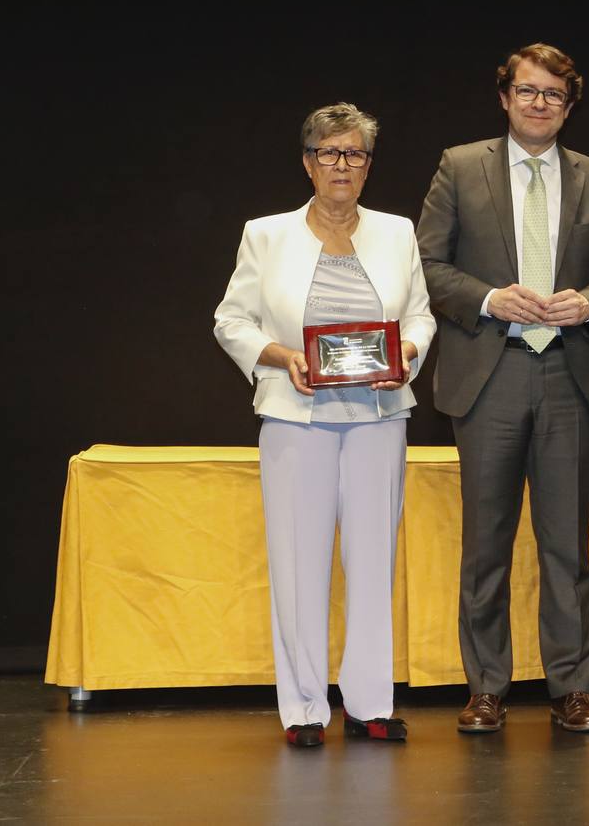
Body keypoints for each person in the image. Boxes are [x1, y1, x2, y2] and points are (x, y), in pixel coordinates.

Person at [416, 43, 589, 733]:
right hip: (491, 374)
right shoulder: (459, 166)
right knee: (486, 544)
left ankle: (571, 687)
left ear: (570, 107)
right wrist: (488, 300)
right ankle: (486, 687)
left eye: (554, 96)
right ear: (504, 96)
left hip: (569, 375)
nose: (540, 104)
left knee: (567, 544)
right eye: (529, 92)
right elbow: (424, 264)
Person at [213, 102, 437, 747]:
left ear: (369, 166)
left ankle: (369, 704)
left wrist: (407, 357)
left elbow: (420, 316)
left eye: (356, 154)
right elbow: (231, 321)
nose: (343, 165)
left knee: (374, 562)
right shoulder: (266, 234)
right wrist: (283, 358)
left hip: (378, 418)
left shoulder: (396, 232)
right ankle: (305, 709)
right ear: (308, 162)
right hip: (295, 418)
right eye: (330, 153)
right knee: (297, 563)